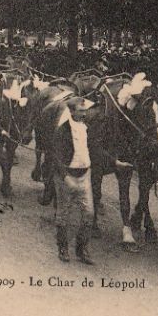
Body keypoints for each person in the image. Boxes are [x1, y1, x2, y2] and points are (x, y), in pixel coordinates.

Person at [51, 98, 97, 264]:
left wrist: (115, 162)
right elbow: (56, 157)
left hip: (85, 175)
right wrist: (65, 177)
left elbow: (96, 149)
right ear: (72, 111)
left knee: (89, 213)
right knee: (64, 213)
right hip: (67, 176)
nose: (84, 114)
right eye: (81, 110)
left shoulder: (87, 129)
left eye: (85, 110)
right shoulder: (62, 131)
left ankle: (81, 249)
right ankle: (62, 248)